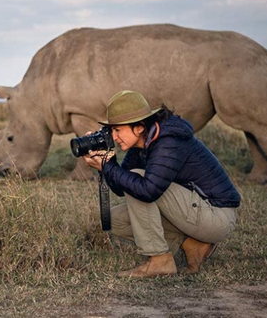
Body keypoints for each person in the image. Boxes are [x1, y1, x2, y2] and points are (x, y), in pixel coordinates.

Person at [82, 90, 241, 278]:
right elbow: (121, 188)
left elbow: (147, 191)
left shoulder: (168, 141)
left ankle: (160, 260)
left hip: (217, 216)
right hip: (195, 211)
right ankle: (192, 245)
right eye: (112, 131)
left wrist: (108, 166)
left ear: (139, 127)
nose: (114, 137)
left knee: (138, 180)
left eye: (117, 130)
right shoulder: (140, 144)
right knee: (113, 220)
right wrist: (106, 164)